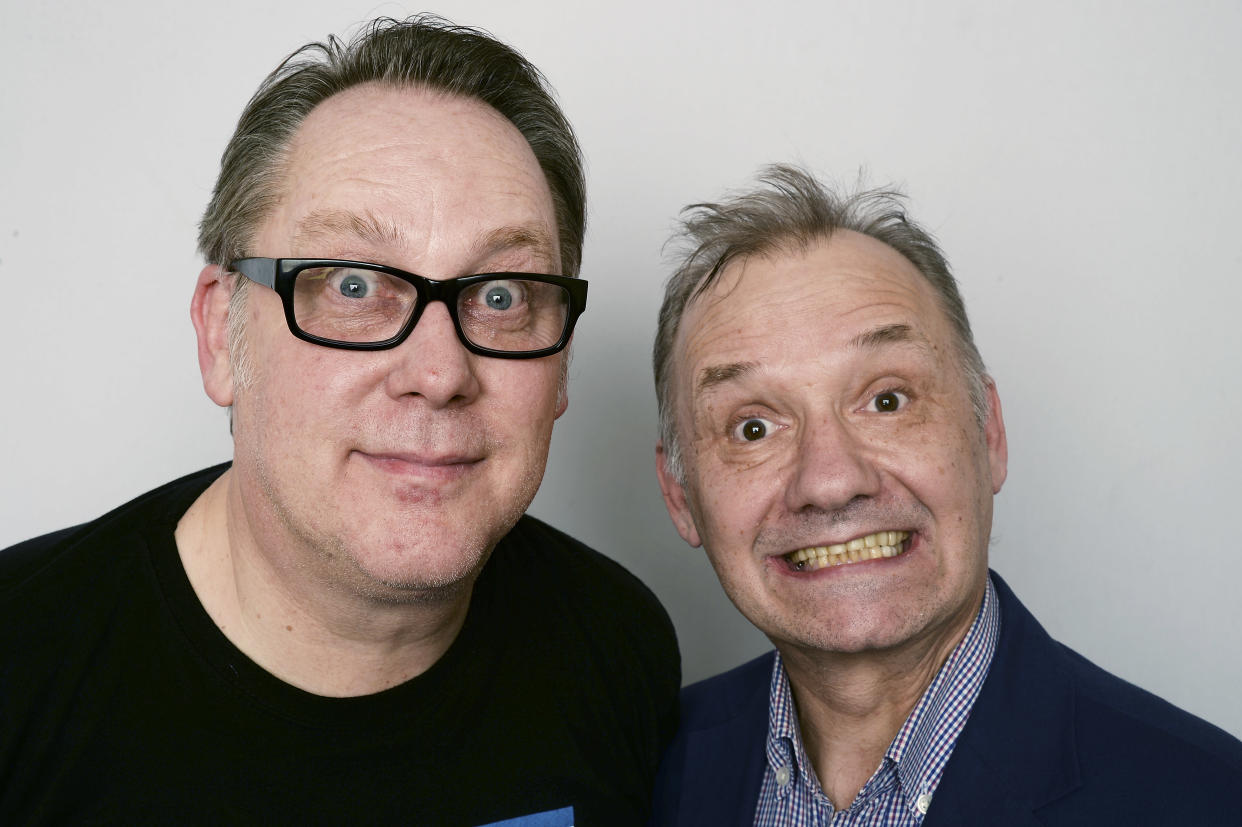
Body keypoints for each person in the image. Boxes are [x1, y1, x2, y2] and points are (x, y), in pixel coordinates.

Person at [0, 17, 678, 825]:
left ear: (560, 363)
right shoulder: (20, 664)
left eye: (503, 296)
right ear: (222, 334)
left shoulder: (617, 647)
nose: (438, 375)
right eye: (353, 286)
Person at [648, 164, 1242, 825]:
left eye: (887, 399)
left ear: (988, 433)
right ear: (679, 494)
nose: (830, 480)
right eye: (752, 426)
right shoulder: (643, 767)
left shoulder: (1210, 798)